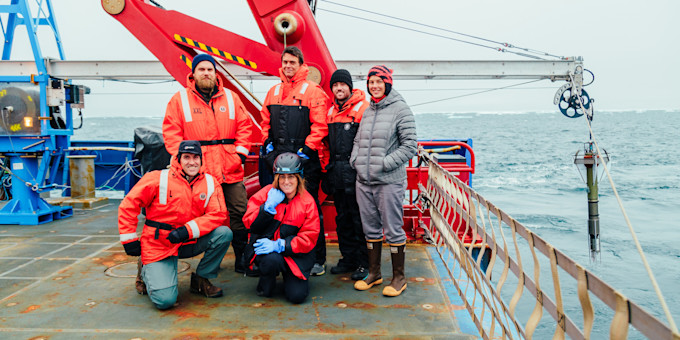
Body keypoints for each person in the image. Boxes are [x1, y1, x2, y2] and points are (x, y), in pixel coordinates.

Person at [163, 53, 253, 275]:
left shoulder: (231, 98)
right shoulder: (179, 100)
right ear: (193, 73)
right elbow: (172, 135)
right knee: (203, 217)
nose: (206, 73)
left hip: (230, 170)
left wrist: (238, 157)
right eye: (201, 69)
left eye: (210, 69)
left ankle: (242, 258)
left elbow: (245, 128)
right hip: (199, 174)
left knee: (239, 214)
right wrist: (188, 165)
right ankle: (210, 260)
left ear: (216, 73)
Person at [118, 140, 233, 310]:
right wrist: (129, 239)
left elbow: (218, 214)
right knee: (165, 301)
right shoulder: (157, 178)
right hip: (159, 245)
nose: (192, 162)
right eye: (186, 157)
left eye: (196, 157)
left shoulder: (210, 182)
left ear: (201, 160)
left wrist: (187, 231)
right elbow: (128, 205)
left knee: (224, 233)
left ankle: (201, 279)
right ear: (178, 159)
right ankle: (145, 268)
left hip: (188, 241)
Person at [259, 46, 329, 276]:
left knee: (311, 209)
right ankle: (274, 255)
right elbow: (265, 123)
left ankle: (317, 259)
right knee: (277, 207)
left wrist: (305, 151)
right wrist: (267, 146)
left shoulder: (314, 92)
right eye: (285, 62)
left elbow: (319, 127)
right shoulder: (273, 91)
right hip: (278, 162)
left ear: (301, 65)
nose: (288, 66)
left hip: (305, 163)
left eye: (293, 62)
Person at [350, 65, 418, 297]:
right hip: (364, 180)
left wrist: (384, 164)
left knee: (393, 229)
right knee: (370, 228)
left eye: (379, 82)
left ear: (387, 83)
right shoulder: (369, 110)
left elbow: (410, 145)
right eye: (371, 82)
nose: (374, 86)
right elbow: (358, 141)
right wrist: (356, 160)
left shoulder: (401, 110)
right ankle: (374, 273)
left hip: (389, 181)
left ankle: (399, 278)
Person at [243, 153, 320, 304]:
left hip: (296, 256)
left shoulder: (308, 202)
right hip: (270, 254)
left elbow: (309, 237)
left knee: (297, 296)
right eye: (282, 177)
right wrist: (266, 208)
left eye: (291, 177)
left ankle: (291, 277)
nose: (286, 182)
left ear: (299, 178)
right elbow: (248, 223)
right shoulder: (266, 193)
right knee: (270, 262)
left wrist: (281, 244)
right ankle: (266, 283)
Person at [324, 69, 369, 281]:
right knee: (342, 218)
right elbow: (325, 146)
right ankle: (348, 258)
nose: (339, 88)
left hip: (356, 175)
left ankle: (364, 262)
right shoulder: (330, 112)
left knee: (359, 219)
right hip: (337, 174)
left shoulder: (363, 109)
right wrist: (327, 168)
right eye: (335, 85)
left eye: (342, 84)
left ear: (350, 87)